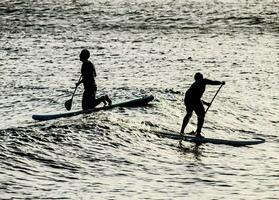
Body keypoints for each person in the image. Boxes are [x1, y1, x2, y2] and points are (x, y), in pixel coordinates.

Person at [180, 72, 225, 137]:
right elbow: (212, 82)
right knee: (201, 115)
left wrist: (206, 103)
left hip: (187, 99)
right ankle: (198, 134)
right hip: (191, 99)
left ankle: (182, 131)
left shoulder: (194, 84)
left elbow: (195, 98)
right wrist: (220, 83)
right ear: (201, 77)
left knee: (189, 114)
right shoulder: (203, 81)